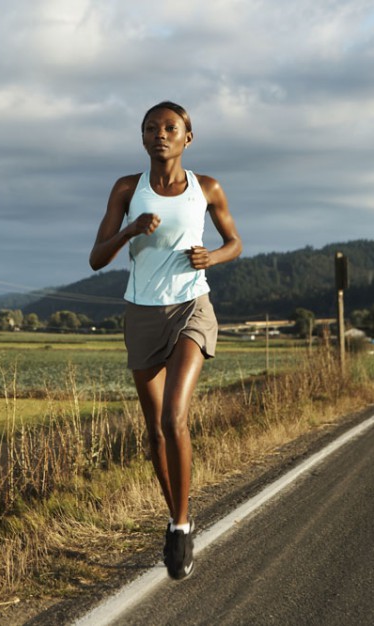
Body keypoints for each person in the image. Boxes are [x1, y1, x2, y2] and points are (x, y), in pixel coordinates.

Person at [89, 101, 242, 579]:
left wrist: (212, 257)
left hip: (191, 307)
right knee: (155, 429)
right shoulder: (126, 189)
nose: (161, 134)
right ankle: (177, 514)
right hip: (142, 314)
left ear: (187, 138)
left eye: (170, 128)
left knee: (175, 416)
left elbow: (235, 242)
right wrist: (130, 230)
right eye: (151, 128)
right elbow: (96, 257)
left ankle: (179, 525)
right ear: (142, 138)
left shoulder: (206, 187)